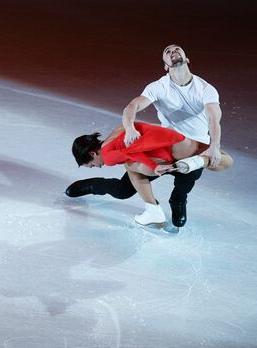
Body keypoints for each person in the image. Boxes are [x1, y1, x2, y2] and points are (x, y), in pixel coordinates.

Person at [66, 44, 227, 228]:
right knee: (124, 188)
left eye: (177, 49)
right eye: (167, 51)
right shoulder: (159, 87)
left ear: (187, 59)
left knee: (185, 184)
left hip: (193, 148)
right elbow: (131, 107)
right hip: (162, 146)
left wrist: (214, 146)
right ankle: (92, 186)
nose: (172, 51)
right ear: (166, 66)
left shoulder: (206, 89)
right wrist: (130, 128)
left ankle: (178, 201)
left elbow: (214, 119)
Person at [72, 122, 233, 226]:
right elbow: (136, 146)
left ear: (93, 154)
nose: (97, 167)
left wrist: (154, 166)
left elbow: (132, 155)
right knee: (123, 189)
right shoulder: (118, 131)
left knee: (186, 179)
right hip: (169, 151)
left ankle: (173, 202)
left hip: (169, 154)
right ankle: (90, 185)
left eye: (92, 165)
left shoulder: (108, 155)